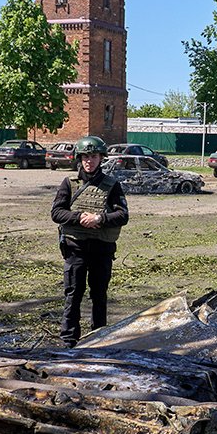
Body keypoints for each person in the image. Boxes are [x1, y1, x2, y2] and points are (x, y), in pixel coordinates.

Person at [51, 135, 129, 347]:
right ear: (79, 158)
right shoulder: (69, 183)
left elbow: (123, 215)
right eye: (85, 156)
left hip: (101, 250)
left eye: (93, 156)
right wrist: (79, 218)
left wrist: (99, 219)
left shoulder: (112, 185)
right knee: (73, 294)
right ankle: (69, 340)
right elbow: (56, 212)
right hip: (75, 248)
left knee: (99, 295)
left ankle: (98, 338)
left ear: (101, 158)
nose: (89, 161)